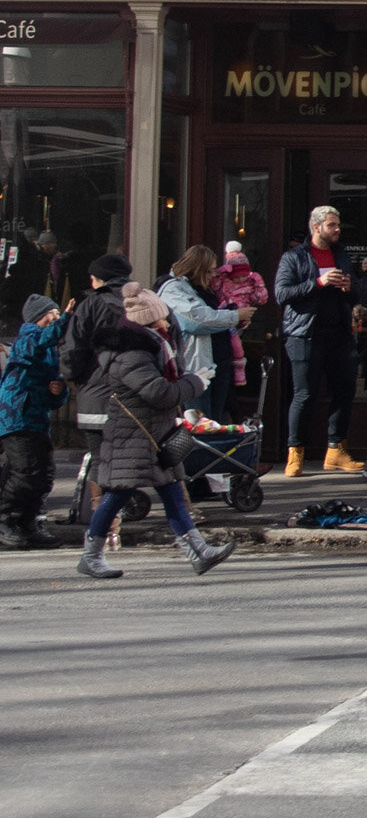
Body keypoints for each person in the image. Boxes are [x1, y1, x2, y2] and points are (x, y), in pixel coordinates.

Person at [76, 283, 234, 579]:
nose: (167, 322)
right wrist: (196, 383)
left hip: (152, 433)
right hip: (133, 436)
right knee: (118, 494)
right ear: (150, 320)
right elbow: (159, 393)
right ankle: (91, 554)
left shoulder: (151, 346)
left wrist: (189, 379)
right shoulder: (133, 354)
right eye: (163, 317)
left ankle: (197, 551)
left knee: (171, 489)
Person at [275, 206, 366, 477]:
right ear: (316, 227)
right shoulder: (294, 257)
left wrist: (351, 289)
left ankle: (336, 450)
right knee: (305, 394)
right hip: (304, 334)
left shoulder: (341, 255)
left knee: (345, 390)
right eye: (332, 225)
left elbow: (355, 292)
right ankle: (295, 453)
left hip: (339, 331)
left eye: (337, 225)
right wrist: (318, 282)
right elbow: (281, 293)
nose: (337, 229)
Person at [59, 253, 142, 520]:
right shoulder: (145, 301)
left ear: (98, 280)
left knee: (100, 459)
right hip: (138, 395)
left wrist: (71, 377)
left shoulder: (90, 305)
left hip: (96, 397)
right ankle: (118, 512)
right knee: (130, 459)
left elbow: (74, 350)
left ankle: (102, 519)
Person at [0, 294, 72, 549]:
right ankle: (6, 518)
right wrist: (65, 318)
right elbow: (41, 340)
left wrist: (58, 391)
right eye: (51, 314)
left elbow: (55, 392)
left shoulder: (49, 347)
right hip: (17, 417)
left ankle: (29, 523)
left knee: (44, 475)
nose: (55, 318)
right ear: (39, 317)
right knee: (26, 472)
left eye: (56, 314)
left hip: (37, 418)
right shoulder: (28, 337)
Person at [157, 245, 252, 423]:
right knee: (199, 425)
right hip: (194, 369)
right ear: (197, 269)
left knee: (213, 424)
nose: (212, 276)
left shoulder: (203, 289)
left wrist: (236, 322)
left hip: (216, 364)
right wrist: (234, 316)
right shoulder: (174, 289)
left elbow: (214, 319)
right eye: (209, 271)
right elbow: (196, 320)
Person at [211, 240, 269, 388]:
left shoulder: (249, 285)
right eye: (237, 277)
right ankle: (238, 372)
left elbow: (261, 299)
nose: (241, 280)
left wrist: (259, 283)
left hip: (243, 319)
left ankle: (239, 373)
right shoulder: (224, 283)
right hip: (228, 317)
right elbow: (213, 285)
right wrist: (220, 272)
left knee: (236, 344)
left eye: (244, 276)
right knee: (236, 345)